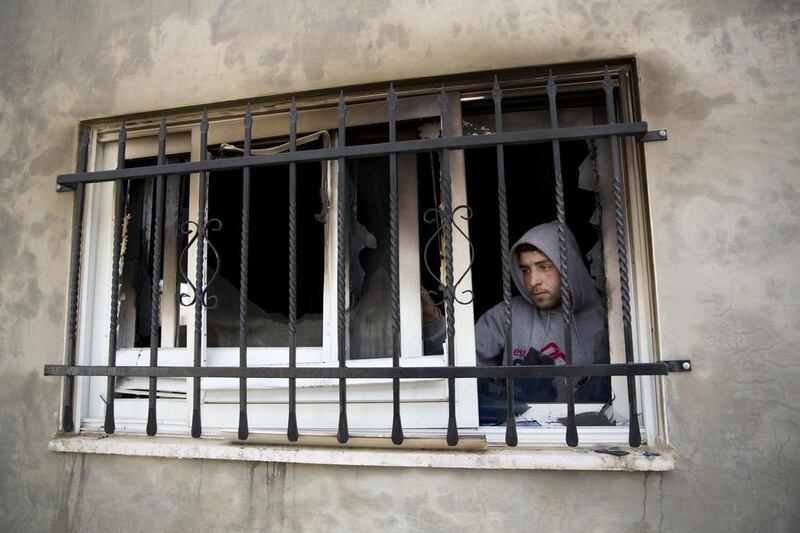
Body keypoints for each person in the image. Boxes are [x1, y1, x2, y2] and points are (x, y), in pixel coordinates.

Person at [423, 221, 609, 421]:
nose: (532, 281)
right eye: (525, 269)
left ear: (569, 267)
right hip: (519, 435)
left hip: (594, 435)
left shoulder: (607, 319)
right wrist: (434, 322)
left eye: (544, 267)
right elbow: (459, 365)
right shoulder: (507, 314)